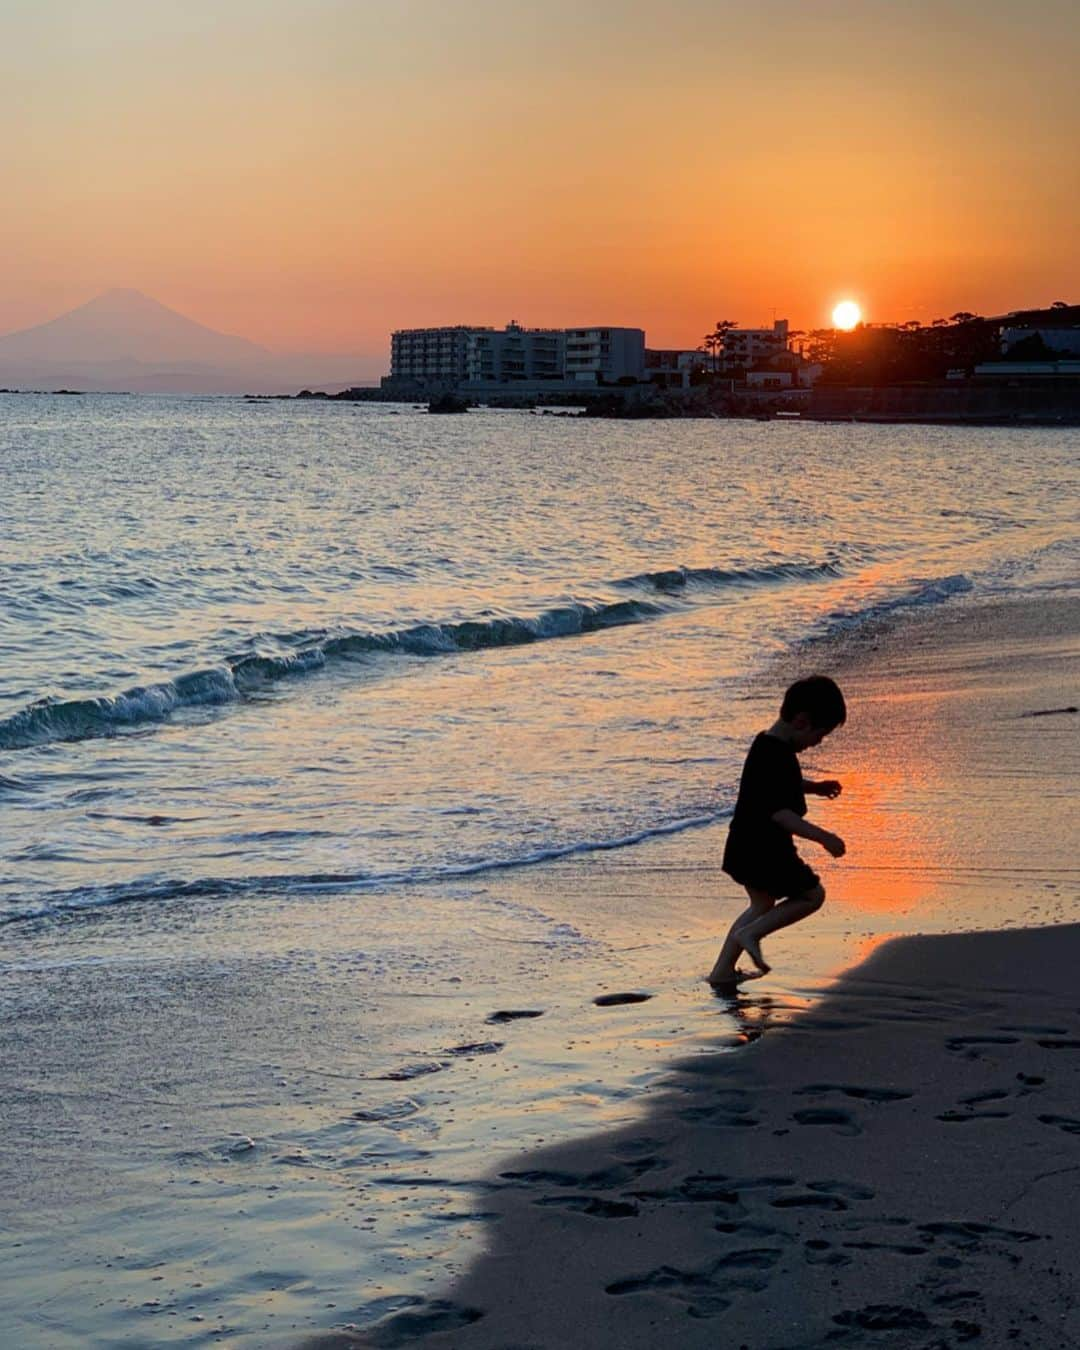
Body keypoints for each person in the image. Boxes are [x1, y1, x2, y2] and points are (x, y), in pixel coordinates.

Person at [708, 675, 847, 989]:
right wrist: (824, 837)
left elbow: (779, 786)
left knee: (761, 905)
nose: (818, 742)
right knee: (812, 895)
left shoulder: (768, 745)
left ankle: (722, 972)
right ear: (801, 721)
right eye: (820, 735)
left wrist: (814, 787)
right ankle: (752, 934)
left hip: (744, 843)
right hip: (765, 847)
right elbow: (781, 814)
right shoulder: (777, 754)